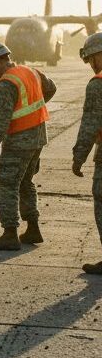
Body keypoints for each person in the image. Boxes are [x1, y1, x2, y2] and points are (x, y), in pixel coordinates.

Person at [0, 42, 56, 250]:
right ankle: (33, 228)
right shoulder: (31, 71)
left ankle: (9, 234)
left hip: (19, 140)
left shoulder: (5, 84)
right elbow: (51, 88)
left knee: (6, 184)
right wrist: (34, 109)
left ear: (0, 60)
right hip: (38, 136)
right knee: (25, 182)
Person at [71, 33, 102, 274]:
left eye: (93, 58)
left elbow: (90, 124)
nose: (92, 64)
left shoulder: (98, 84)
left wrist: (79, 156)